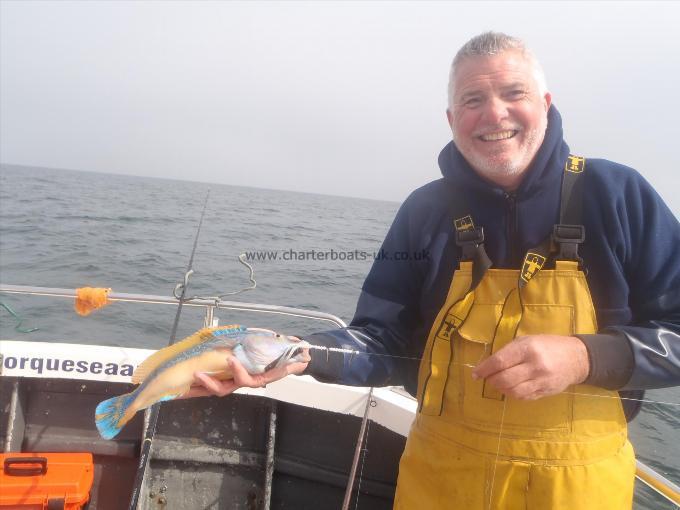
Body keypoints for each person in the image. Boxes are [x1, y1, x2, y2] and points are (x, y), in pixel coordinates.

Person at [187, 32, 680, 509]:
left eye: (513, 93)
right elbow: (383, 342)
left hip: (578, 489)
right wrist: (299, 355)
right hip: (439, 481)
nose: (494, 113)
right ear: (451, 118)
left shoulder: (617, 194)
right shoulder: (425, 210)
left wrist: (585, 357)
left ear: (545, 103)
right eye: (472, 100)